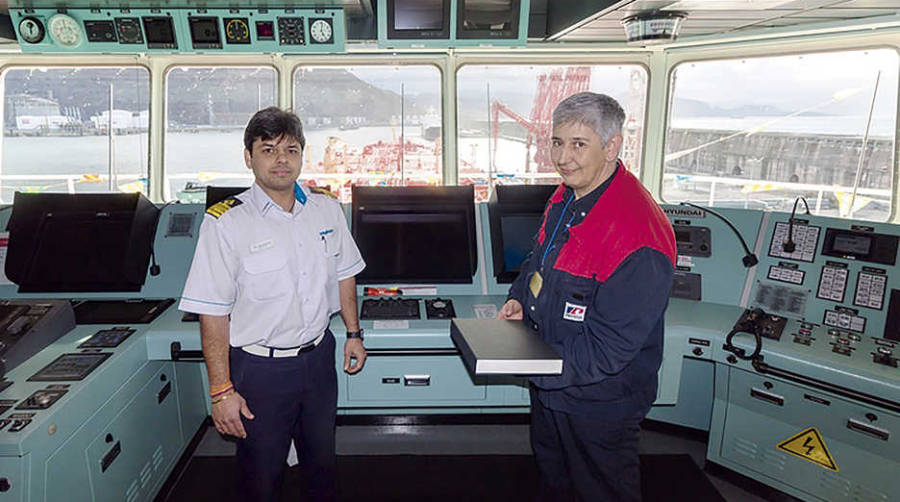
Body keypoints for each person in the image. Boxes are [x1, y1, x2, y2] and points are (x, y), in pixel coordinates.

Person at [179, 106, 367, 501]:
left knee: (321, 465)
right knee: (260, 476)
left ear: (303, 155)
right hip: (260, 370)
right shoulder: (226, 222)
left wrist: (353, 333)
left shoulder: (326, 208)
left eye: (291, 150)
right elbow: (212, 311)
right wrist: (221, 391)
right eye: (268, 150)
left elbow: (345, 272)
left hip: (318, 360)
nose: (282, 160)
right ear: (249, 157)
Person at [497, 92, 676, 501]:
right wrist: (519, 299)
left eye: (579, 144)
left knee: (600, 489)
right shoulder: (566, 197)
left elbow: (608, 350)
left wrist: (527, 365)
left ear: (612, 146)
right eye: (557, 142)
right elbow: (537, 262)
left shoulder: (637, 233)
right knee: (555, 479)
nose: (563, 157)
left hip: (600, 401)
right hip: (554, 383)